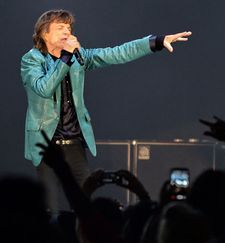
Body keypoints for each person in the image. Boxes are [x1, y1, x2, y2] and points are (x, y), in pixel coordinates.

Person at [20, 9, 192, 213]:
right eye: (60, 27)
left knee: (85, 205)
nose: (67, 31)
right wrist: (66, 57)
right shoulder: (31, 61)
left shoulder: (78, 57)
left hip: (74, 142)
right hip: (46, 144)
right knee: (50, 209)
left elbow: (116, 53)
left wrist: (156, 42)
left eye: (69, 27)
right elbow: (44, 88)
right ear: (44, 33)